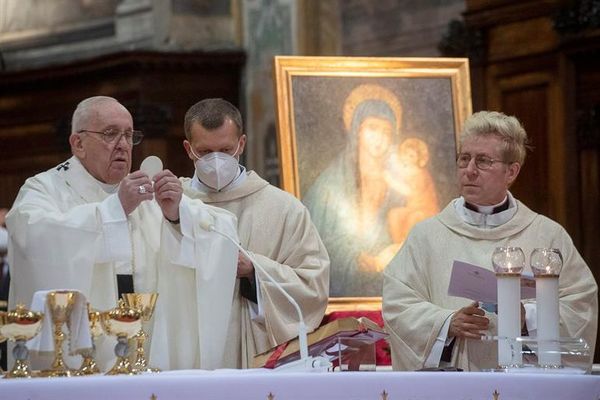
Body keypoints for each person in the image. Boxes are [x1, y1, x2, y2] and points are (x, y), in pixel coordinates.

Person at [6, 96, 239, 371]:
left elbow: (218, 229)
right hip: (75, 363)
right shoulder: (43, 189)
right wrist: (112, 212)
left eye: (129, 135)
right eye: (110, 134)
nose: (123, 145)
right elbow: (32, 237)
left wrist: (176, 215)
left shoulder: (144, 192)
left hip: (145, 355)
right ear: (77, 143)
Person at [383, 111, 598, 371]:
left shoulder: (548, 236)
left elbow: (581, 308)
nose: (470, 170)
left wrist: (527, 318)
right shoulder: (426, 236)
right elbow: (398, 305)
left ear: (511, 172)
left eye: (483, 161)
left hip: (524, 388)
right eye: (464, 159)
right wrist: (445, 323)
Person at [180, 98, 330, 368]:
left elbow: (313, 285)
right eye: (205, 151)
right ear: (189, 149)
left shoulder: (284, 208)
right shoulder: (174, 206)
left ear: (242, 144)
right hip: (189, 349)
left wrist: (254, 270)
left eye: (225, 150)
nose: (216, 161)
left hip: (256, 354)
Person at [303, 84, 405, 296]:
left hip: (394, 291)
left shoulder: (399, 183)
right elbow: (318, 244)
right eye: (372, 128)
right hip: (345, 291)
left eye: (386, 131)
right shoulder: (329, 186)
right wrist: (366, 261)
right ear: (357, 130)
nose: (379, 138)